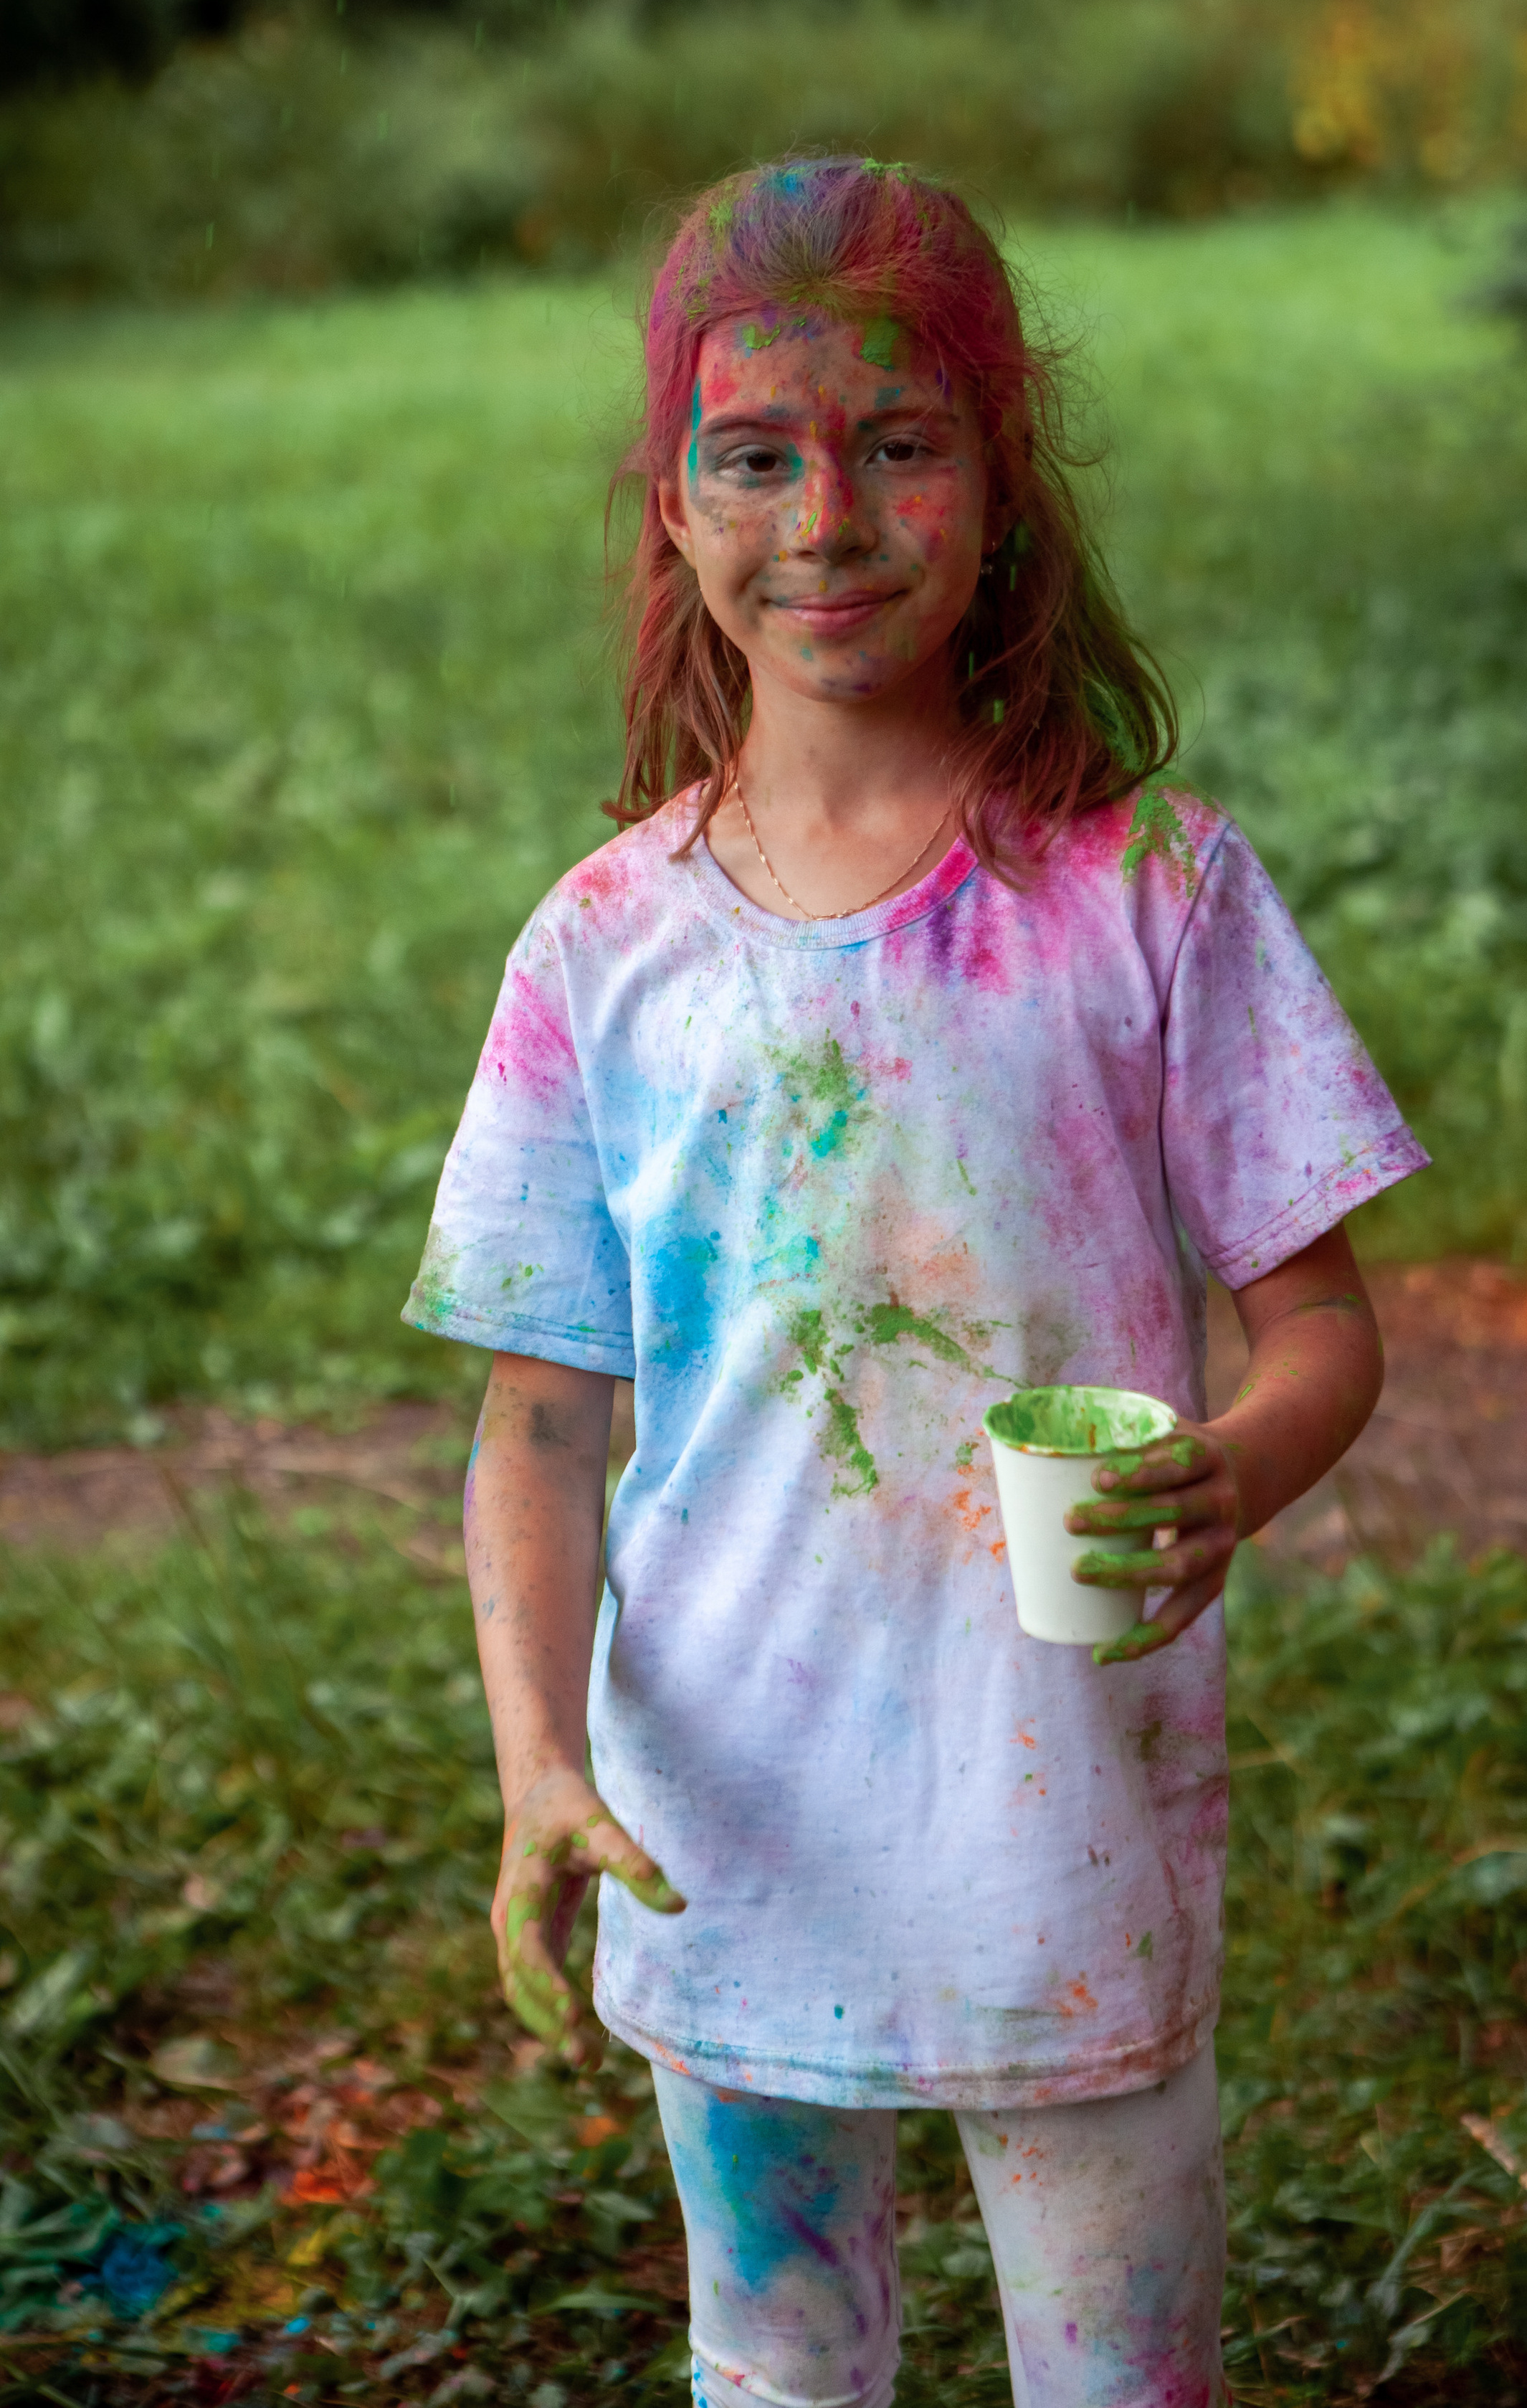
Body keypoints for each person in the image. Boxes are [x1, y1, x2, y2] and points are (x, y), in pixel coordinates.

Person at [405, 156, 1426, 2408]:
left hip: (1061, 1821)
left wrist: (1236, 1471)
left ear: (1001, 485)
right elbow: (541, 1425)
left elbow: (1323, 1323)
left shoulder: (1149, 890)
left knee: (1121, 2374)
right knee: (776, 2364)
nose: (829, 518)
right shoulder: (603, 947)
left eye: (898, 444)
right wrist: (540, 1764)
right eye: (755, 457)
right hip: (723, 1826)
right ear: (674, 509)